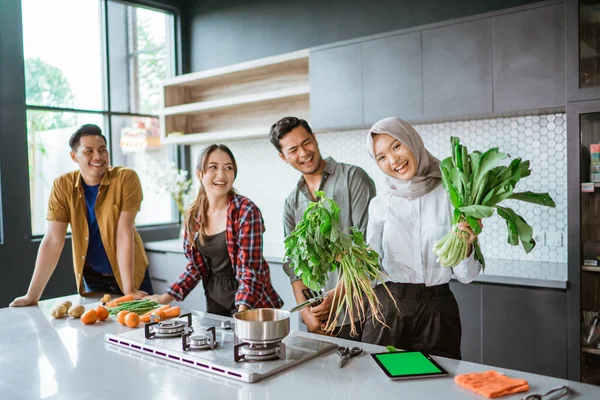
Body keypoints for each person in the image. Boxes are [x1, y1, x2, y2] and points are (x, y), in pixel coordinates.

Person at [362, 117, 482, 359]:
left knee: (437, 386)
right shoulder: (379, 203)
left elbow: (467, 276)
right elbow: (370, 266)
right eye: (381, 157)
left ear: (412, 141)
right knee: (382, 387)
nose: (393, 160)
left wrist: (468, 247)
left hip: (437, 309)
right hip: (389, 308)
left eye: (396, 146)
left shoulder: (452, 195)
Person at [10, 124, 152, 307]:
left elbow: (124, 232)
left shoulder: (125, 178)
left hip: (132, 276)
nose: (98, 157)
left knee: (139, 330)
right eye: (89, 151)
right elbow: (53, 239)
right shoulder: (62, 186)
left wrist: (129, 289)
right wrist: (32, 296)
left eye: (102, 150)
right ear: (74, 156)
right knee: (94, 332)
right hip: (93, 280)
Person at [269, 116, 376, 339]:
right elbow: (293, 265)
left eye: (306, 142)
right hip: (318, 322)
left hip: (359, 315)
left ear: (315, 139)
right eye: (293, 149)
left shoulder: (353, 179)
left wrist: (337, 296)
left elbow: (368, 247)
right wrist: (306, 314)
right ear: (283, 157)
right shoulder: (292, 202)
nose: (303, 153)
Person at [144, 144, 283, 315]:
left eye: (228, 168)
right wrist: (164, 298)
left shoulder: (246, 211)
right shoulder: (194, 215)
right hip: (215, 300)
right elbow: (196, 267)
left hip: (252, 304)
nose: (221, 175)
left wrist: (242, 314)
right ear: (200, 174)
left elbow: (250, 269)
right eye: (213, 167)